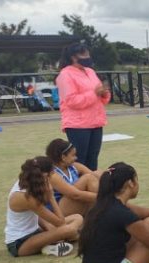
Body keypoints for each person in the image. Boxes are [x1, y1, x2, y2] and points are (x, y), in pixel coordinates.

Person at [5, 156, 82, 257]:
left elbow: (37, 216)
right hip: (19, 243)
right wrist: (51, 196)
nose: (52, 178)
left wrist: (49, 229)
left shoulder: (28, 183)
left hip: (35, 232)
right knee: (68, 230)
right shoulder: (25, 197)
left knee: (77, 217)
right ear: (44, 176)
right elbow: (61, 223)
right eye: (51, 175)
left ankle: (52, 243)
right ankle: (56, 241)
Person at [56, 43, 110, 171]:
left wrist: (104, 93)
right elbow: (71, 100)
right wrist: (94, 93)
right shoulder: (64, 75)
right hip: (77, 125)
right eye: (84, 54)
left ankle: (92, 187)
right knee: (79, 159)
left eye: (88, 54)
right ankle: (78, 187)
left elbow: (99, 94)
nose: (88, 57)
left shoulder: (90, 72)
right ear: (74, 57)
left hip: (96, 122)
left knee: (93, 158)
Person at [45, 138, 100, 217]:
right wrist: (105, 197)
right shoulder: (52, 174)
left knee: (98, 173)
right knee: (88, 178)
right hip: (58, 210)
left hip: (73, 204)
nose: (76, 158)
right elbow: (75, 195)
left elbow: (95, 176)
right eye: (73, 155)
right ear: (63, 157)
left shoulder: (74, 166)